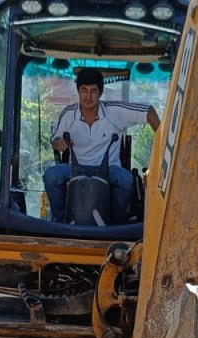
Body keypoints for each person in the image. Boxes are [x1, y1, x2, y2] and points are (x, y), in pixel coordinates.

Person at [43, 67, 160, 224]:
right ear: (78, 92)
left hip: (108, 168)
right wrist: (59, 143)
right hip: (75, 169)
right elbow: (55, 140)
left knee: (125, 180)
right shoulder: (68, 114)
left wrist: (163, 147)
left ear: (100, 93)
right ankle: (59, 221)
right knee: (51, 176)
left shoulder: (114, 111)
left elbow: (148, 111)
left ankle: (117, 225)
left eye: (93, 91)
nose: (88, 97)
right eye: (84, 91)